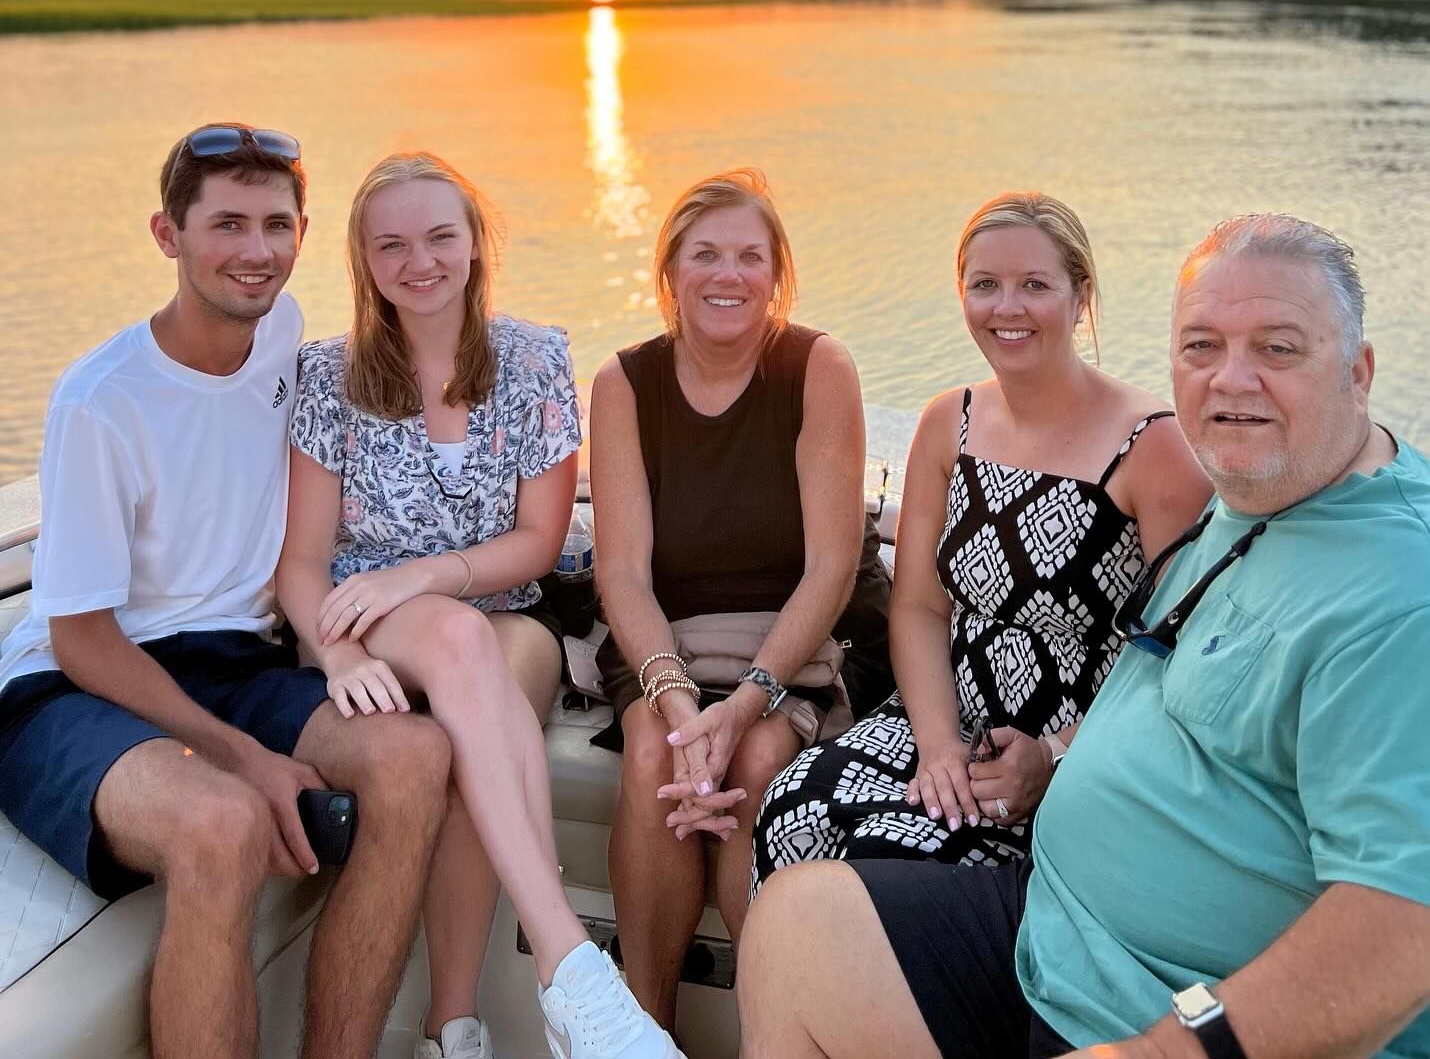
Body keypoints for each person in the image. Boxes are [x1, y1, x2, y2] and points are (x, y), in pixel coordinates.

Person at [739, 213, 1430, 1059]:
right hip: (1058, 932)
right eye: (1202, 346)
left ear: (1358, 373)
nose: (1231, 381)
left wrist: (1158, 1051)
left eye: (1278, 349)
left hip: (1151, 1003)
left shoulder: (1404, 590)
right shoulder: (1261, 492)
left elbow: (1409, 922)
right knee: (794, 929)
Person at [0, 124, 451, 1059]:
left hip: (235, 659)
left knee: (414, 759)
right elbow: (80, 637)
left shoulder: (281, 333)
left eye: (277, 225)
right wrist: (242, 756)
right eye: (228, 225)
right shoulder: (101, 402)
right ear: (168, 235)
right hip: (77, 682)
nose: (257, 251)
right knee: (222, 822)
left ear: (303, 233)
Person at [279, 151, 680, 1059]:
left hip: (503, 604)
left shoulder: (534, 360)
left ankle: (452, 1029)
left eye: (438, 237)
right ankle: (570, 970)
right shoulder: (328, 375)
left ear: (474, 244)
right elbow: (299, 564)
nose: (418, 262)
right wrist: (339, 653)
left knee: (478, 735)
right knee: (462, 643)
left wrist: (419, 576)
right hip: (358, 620)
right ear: (364, 260)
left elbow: (539, 542)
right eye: (391, 245)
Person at [752, 191, 1209, 885]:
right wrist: (937, 745)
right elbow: (918, 608)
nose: (1007, 308)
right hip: (944, 714)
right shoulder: (949, 423)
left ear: (1081, 295)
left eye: (1035, 285)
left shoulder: (1153, 447)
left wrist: (1054, 756)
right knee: (792, 810)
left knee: (893, 862)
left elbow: (1178, 657)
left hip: (1081, 747)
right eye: (985, 284)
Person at [588, 168, 892, 1033]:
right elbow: (623, 575)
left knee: (759, 761)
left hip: (803, 635)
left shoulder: (817, 367)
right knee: (655, 755)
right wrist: (681, 705)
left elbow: (831, 568)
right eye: (706, 255)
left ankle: (777, 1038)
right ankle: (646, 1035)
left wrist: (749, 700)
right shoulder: (625, 383)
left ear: (777, 275)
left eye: (750, 257)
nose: (729, 275)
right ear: (669, 273)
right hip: (668, 638)